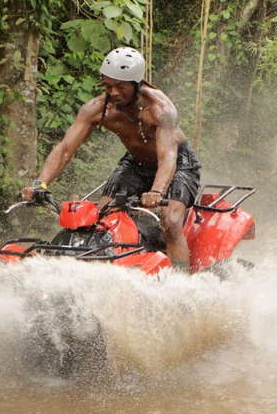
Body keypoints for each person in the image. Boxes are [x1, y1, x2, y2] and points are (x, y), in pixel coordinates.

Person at [21, 47, 201, 269]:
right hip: (136, 163)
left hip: (178, 162)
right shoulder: (97, 109)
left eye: (120, 86)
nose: (113, 92)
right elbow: (65, 148)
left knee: (171, 220)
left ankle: (181, 282)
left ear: (136, 84)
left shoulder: (160, 109)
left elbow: (168, 158)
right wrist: (40, 184)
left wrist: (156, 192)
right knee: (101, 215)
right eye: (108, 85)